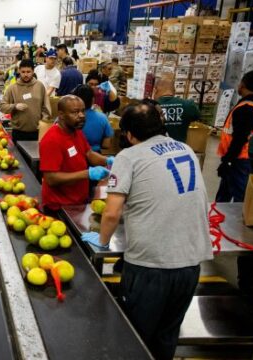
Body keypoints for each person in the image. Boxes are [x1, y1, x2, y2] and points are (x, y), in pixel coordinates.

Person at [81, 103, 212, 360]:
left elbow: (111, 212)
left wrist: (103, 242)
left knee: (136, 337)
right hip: (190, 263)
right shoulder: (185, 148)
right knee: (167, 335)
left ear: (129, 134)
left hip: (151, 266)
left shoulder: (129, 157)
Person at [39, 95, 112, 211]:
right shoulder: (52, 140)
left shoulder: (76, 132)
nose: (82, 116)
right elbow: (51, 179)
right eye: (75, 112)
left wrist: (107, 161)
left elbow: (89, 153)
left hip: (78, 201)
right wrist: (88, 174)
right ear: (61, 115)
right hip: (59, 207)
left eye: (83, 111)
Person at [216, 70, 253, 202]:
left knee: (241, 197)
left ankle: (241, 222)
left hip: (239, 159)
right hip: (241, 157)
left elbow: (239, 138)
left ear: (242, 85)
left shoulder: (246, 108)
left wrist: (227, 161)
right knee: (224, 194)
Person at [0, 59, 51, 142]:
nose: (26, 74)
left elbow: (46, 107)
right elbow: (2, 106)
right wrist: (14, 106)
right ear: (19, 71)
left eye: (28, 72)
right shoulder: (13, 88)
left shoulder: (40, 86)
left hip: (37, 132)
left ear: (33, 71)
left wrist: (43, 123)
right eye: (23, 72)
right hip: (18, 132)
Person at [153, 78, 200, 143]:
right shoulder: (189, 105)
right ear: (174, 90)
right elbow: (197, 117)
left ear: (155, 90)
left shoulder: (150, 106)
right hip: (180, 148)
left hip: (157, 149)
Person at [72, 85, 114, 152]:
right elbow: (106, 144)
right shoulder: (102, 117)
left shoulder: (66, 117)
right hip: (95, 156)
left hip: (72, 155)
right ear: (93, 99)